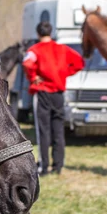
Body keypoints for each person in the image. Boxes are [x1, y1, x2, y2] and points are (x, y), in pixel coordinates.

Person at [22, 21, 85, 175]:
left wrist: (34, 77)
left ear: (38, 34)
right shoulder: (63, 49)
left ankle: (43, 166)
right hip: (58, 94)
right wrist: (63, 74)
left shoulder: (34, 50)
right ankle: (58, 165)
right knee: (58, 130)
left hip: (43, 92)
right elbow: (79, 63)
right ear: (51, 33)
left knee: (43, 130)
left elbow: (27, 63)